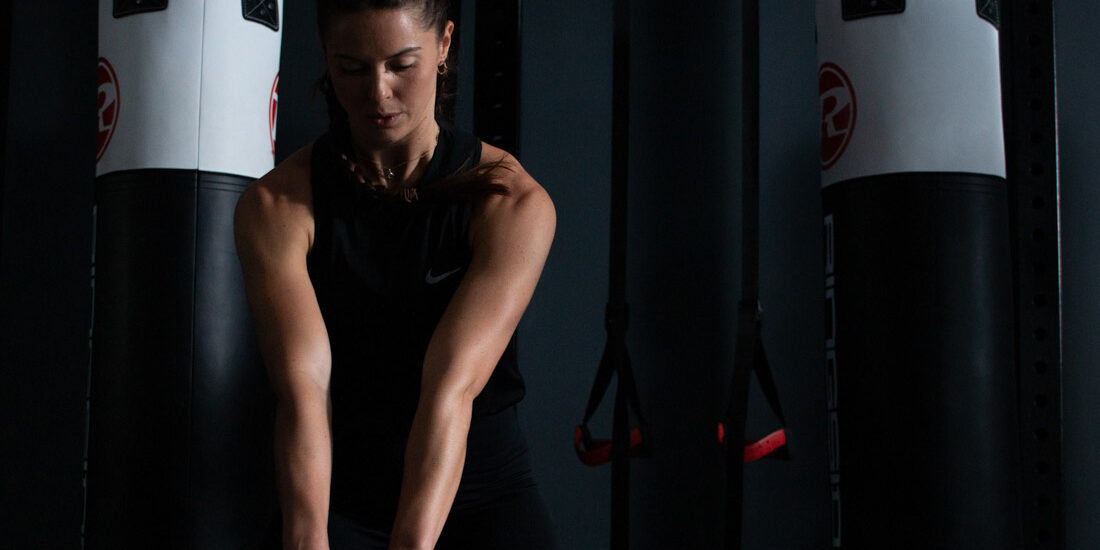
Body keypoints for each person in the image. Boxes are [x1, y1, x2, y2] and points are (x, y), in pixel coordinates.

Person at [233, 1, 557, 548]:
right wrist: (308, 536)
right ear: (327, 59)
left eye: (401, 65)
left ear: (444, 46)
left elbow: (449, 389)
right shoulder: (276, 206)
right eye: (352, 69)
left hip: (479, 494)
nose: (377, 93)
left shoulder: (511, 203)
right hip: (343, 494)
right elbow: (305, 390)